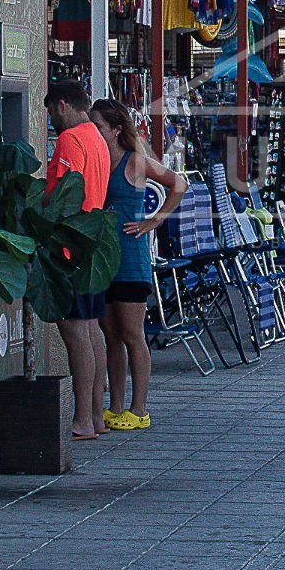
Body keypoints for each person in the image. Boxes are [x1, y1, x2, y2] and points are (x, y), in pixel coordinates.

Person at [89, 98, 186, 433]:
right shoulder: (96, 160)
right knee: (111, 335)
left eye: (99, 126)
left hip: (131, 260)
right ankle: (116, 406)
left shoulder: (134, 161)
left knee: (132, 334)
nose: (94, 132)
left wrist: (154, 220)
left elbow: (179, 183)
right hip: (103, 260)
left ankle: (139, 409)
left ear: (116, 130)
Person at [44, 81, 112, 440]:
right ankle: (96, 416)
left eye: (51, 112)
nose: (51, 120)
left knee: (74, 333)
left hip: (69, 246)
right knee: (91, 328)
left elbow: (61, 195)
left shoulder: (70, 139)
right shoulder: (97, 139)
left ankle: (82, 418)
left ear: (63, 105)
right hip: (91, 244)